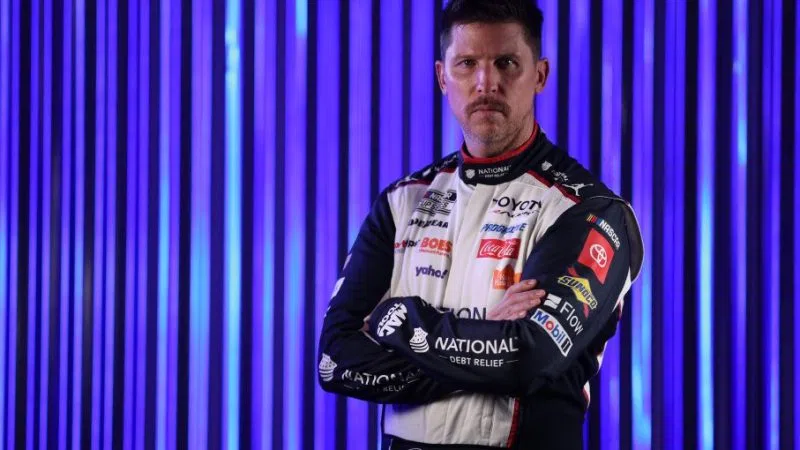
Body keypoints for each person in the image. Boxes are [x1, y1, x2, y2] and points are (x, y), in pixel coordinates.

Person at [318, 0, 644, 448]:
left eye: (506, 63)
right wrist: (484, 342)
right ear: (442, 77)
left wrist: (400, 320)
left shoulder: (590, 211)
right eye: (467, 63)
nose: (486, 82)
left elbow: (526, 357)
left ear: (540, 75)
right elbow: (334, 360)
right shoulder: (402, 202)